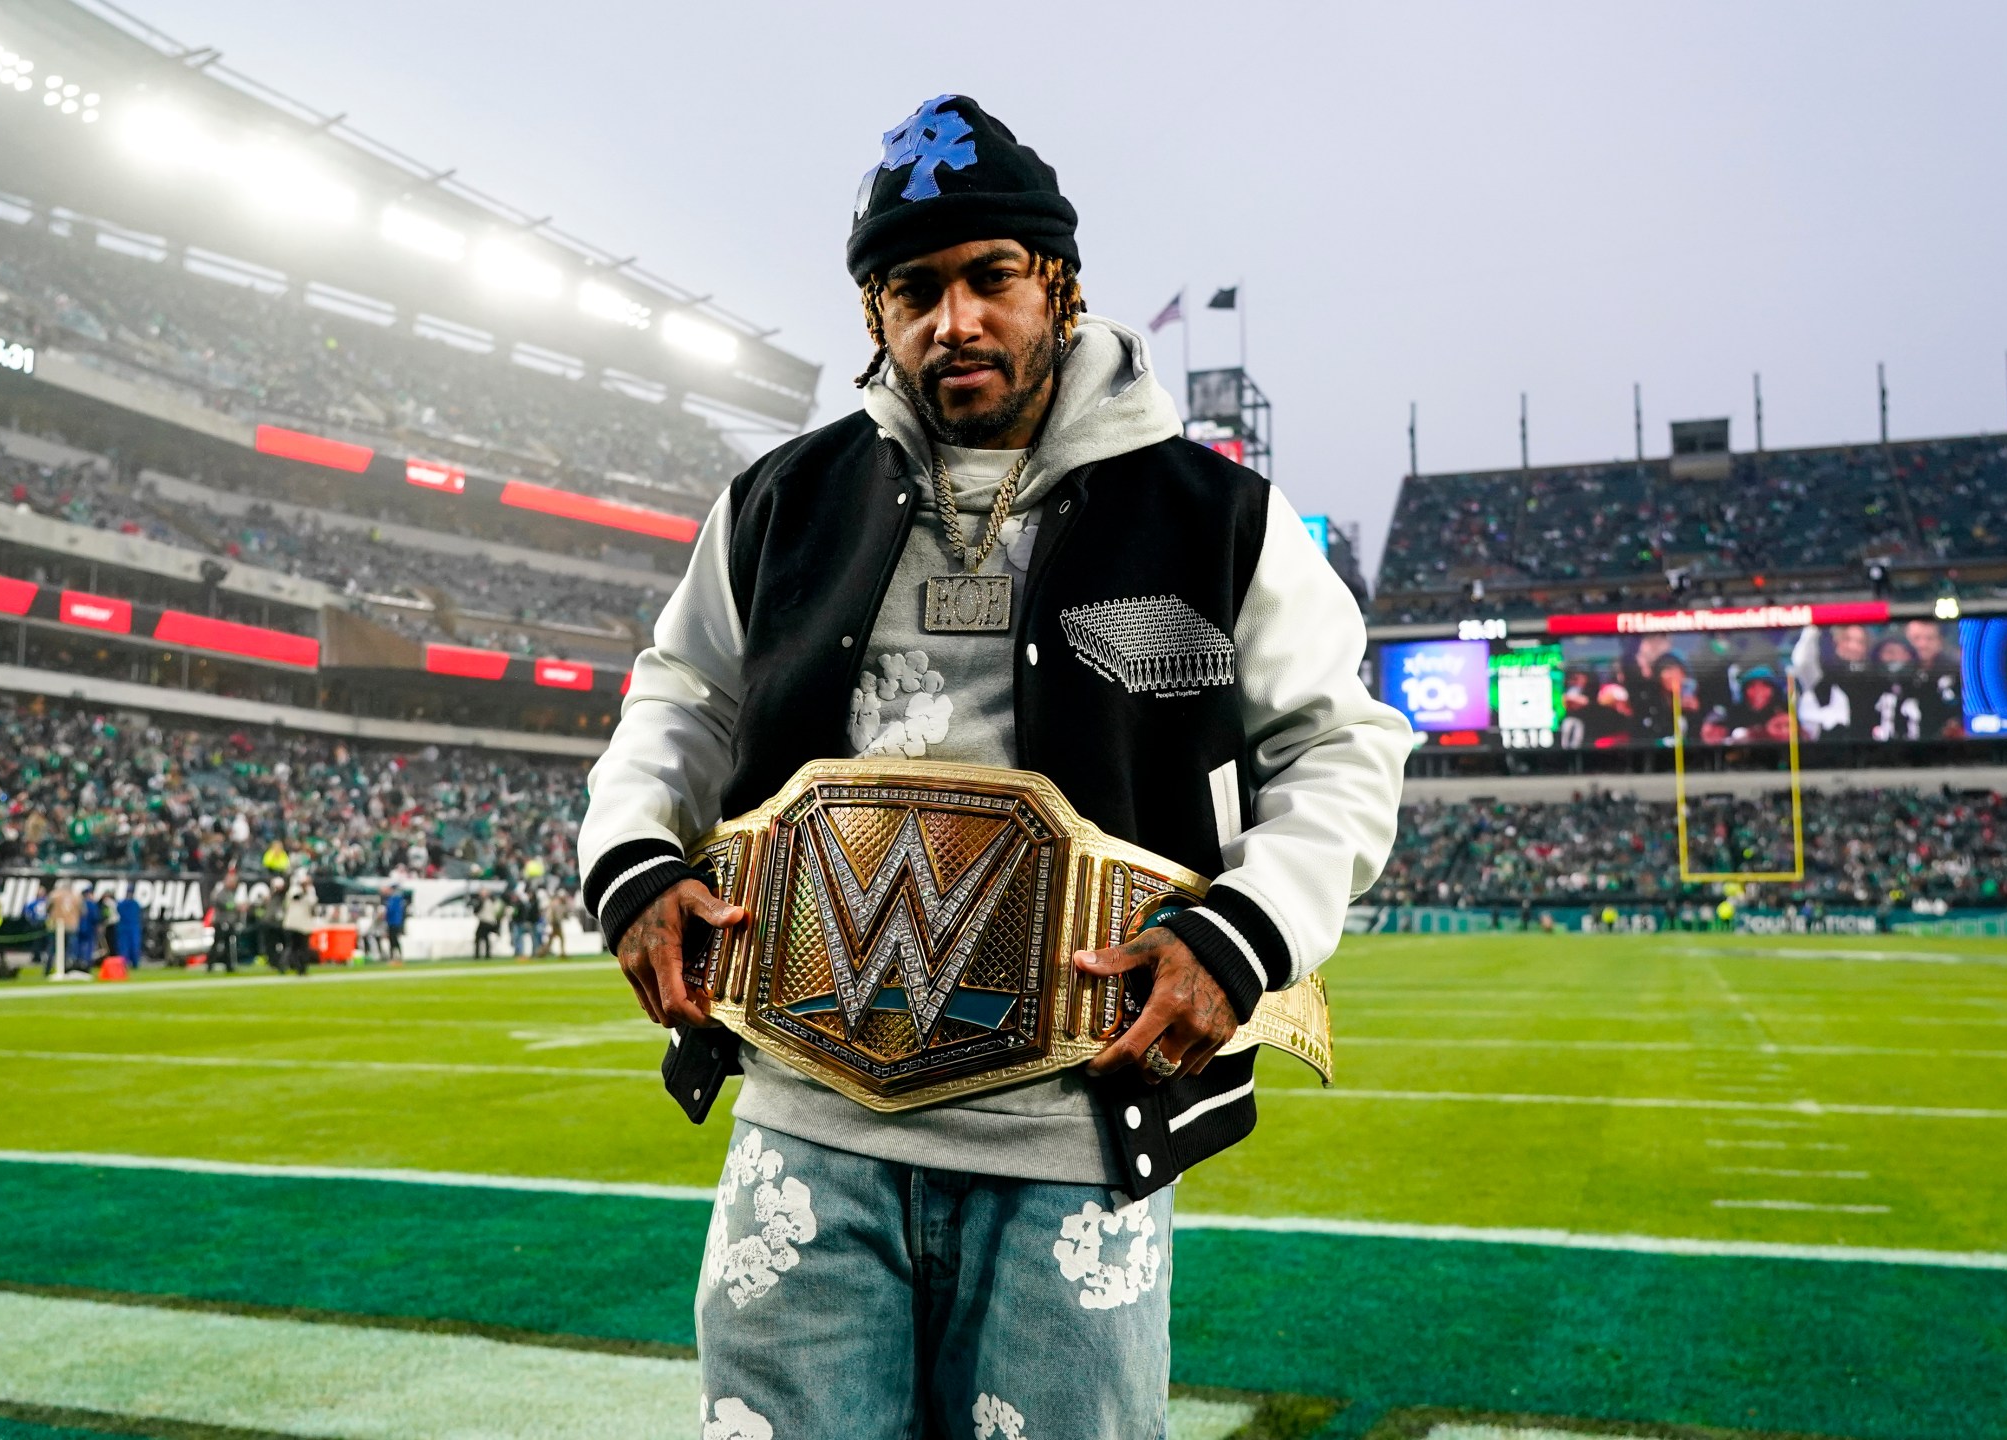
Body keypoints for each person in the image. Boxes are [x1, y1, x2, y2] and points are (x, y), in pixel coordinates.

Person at [578, 96, 1407, 1439]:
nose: (951, 321)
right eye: (914, 290)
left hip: (1073, 1137)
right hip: (806, 1129)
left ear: (1060, 287)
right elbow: (676, 698)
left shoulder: (1219, 518)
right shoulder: (778, 501)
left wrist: (1245, 935)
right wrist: (634, 867)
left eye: (989, 279)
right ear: (872, 316)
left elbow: (1343, 746)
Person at [382, 880, 409, 963]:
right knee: (392, 940)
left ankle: (396, 957)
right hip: (393, 922)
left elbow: (390, 911)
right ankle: (395, 956)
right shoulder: (394, 899)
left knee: (394, 940)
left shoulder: (395, 899)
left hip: (394, 922)